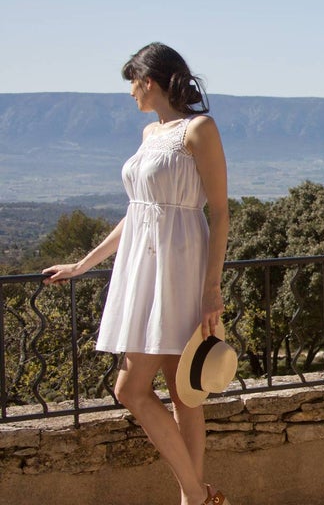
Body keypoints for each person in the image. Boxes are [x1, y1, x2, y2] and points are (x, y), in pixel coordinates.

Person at [44, 42, 230, 505]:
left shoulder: (199, 129)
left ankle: (195, 494)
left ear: (150, 80)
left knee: (148, 389)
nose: (130, 93)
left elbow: (221, 212)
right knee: (172, 393)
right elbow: (138, 212)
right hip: (143, 266)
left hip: (181, 263)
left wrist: (211, 290)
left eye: (133, 81)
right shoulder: (151, 134)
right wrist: (85, 263)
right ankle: (197, 498)